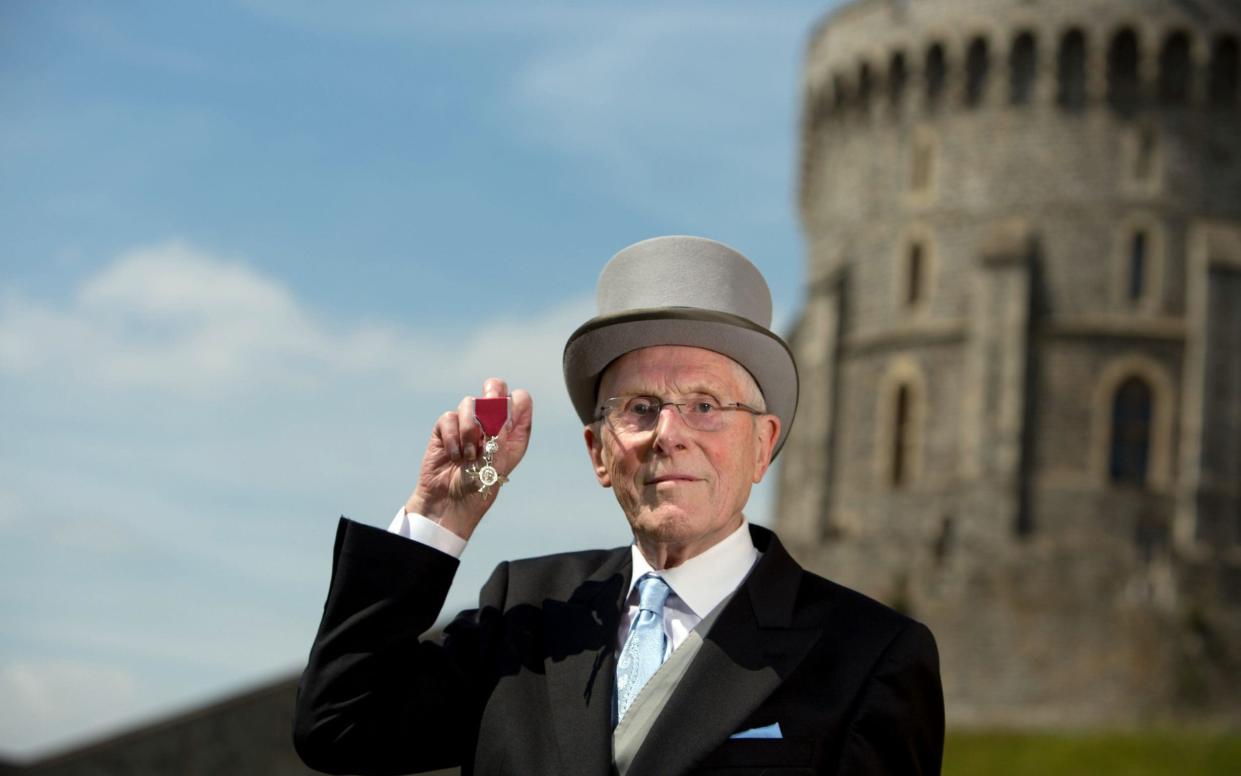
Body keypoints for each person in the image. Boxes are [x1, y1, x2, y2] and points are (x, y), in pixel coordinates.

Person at [293, 236, 944, 775]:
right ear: (599, 453)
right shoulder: (527, 607)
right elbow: (339, 726)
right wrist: (439, 516)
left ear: (762, 446)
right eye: (639, 409)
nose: (670, 433)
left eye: (705, 406)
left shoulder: (868, 654)